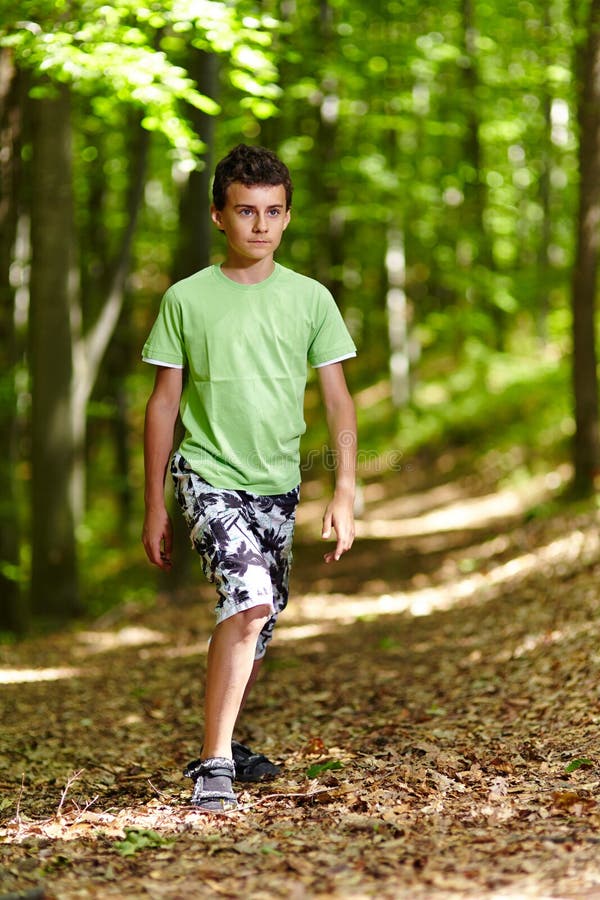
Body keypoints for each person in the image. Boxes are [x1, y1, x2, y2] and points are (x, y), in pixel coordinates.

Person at [141, 143, 357, 812]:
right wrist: (155, 504)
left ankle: (226, 741)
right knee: (250, 599)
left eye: (272, 212)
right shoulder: (186, 300)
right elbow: (163, 405)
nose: (259, 225)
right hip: (207, 475)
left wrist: (345, 487)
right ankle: (213, 765)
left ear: (287, 217)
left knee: (258, 619)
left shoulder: (310, 299)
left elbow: (338, 401)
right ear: (218, 215)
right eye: (245, 211)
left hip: (277, 483)